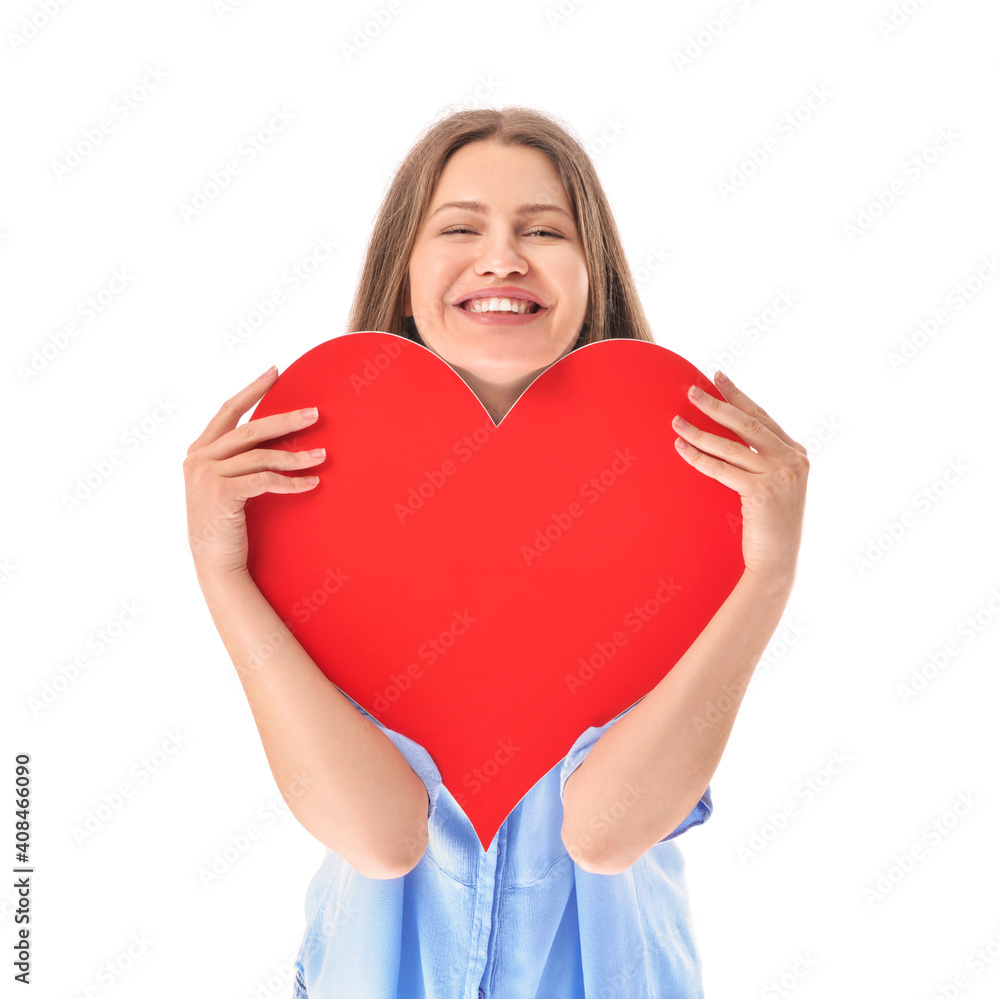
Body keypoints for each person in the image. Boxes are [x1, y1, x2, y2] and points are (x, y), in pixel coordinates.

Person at [183, 106, 810, 998]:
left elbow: (605, 832)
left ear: (595, 277)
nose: (504, 257)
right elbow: (379, 835)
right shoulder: (308, 502)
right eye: (462, 227)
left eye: (545, 230)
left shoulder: (687, 499)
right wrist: (223, 574)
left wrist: (769, 573)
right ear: (405, 276)